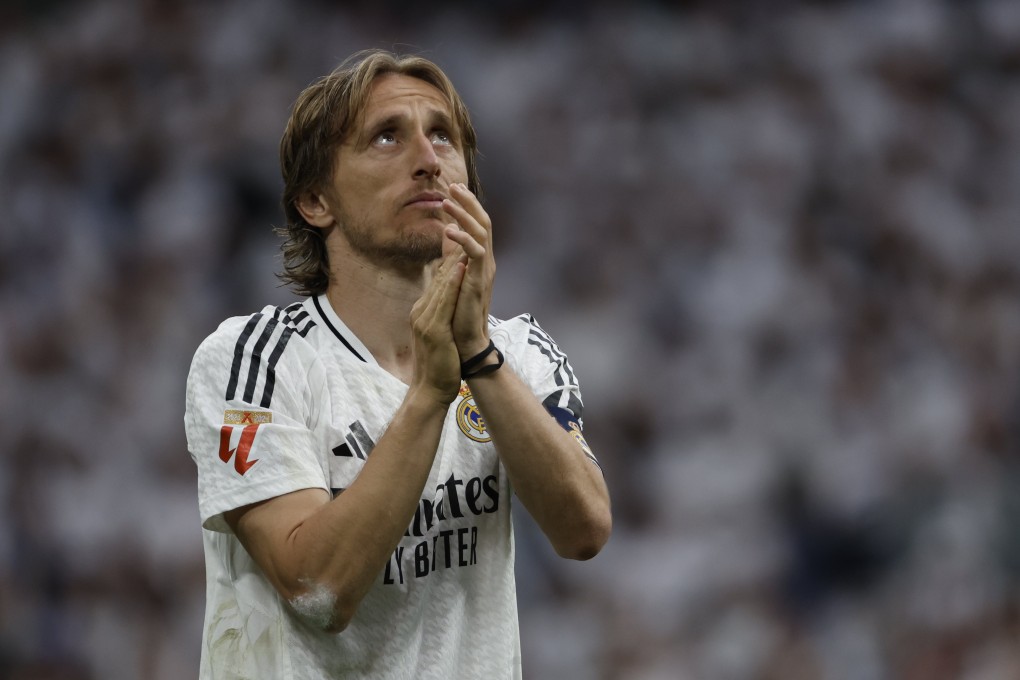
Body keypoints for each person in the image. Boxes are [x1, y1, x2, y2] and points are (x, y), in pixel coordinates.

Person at [184, 49, 612, 679]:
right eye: (387, 136)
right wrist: (433, 392)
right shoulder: (253, 360)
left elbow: (584, 531)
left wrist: (477, 355)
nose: (428, 159)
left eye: (443, 136)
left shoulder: (518, 352)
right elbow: (318, 591)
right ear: (316, 201)